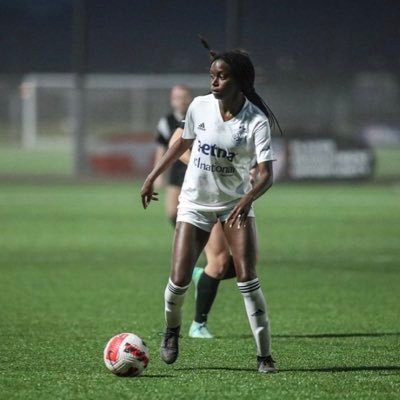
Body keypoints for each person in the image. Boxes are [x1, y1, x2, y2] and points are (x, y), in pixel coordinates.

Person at [141, 42, 280, 373]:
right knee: (178, 280)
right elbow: (182, 145)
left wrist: (246, 200)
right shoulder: (199, 106)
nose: (214, 82)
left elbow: (266, 175)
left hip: (234, 204)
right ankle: (172, 332)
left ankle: (264, 356)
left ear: (239, 81)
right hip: (194, 204)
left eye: (222, 76)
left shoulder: (255, 121)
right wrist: (152, 176)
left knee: (248, 279)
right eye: (212, 75)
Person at [168, 127, 237, 340]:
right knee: (219, 263)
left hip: (230, 196)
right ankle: (198, 324)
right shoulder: (202, 109)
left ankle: (201, 276)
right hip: (202, 199)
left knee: (241, 265)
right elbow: (175, 142)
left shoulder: (243, 115)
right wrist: (201, 166)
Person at [154, 85, 193, 225]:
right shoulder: (166, 122)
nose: (181, 101)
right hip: (176, 170)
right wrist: (158, 174)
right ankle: (188, 239)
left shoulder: (198, 116)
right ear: (172, 100)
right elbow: (161, 149)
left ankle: (196, 240)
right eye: (178, 97)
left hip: (195, 169)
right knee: (172, 212)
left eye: (184, 97)